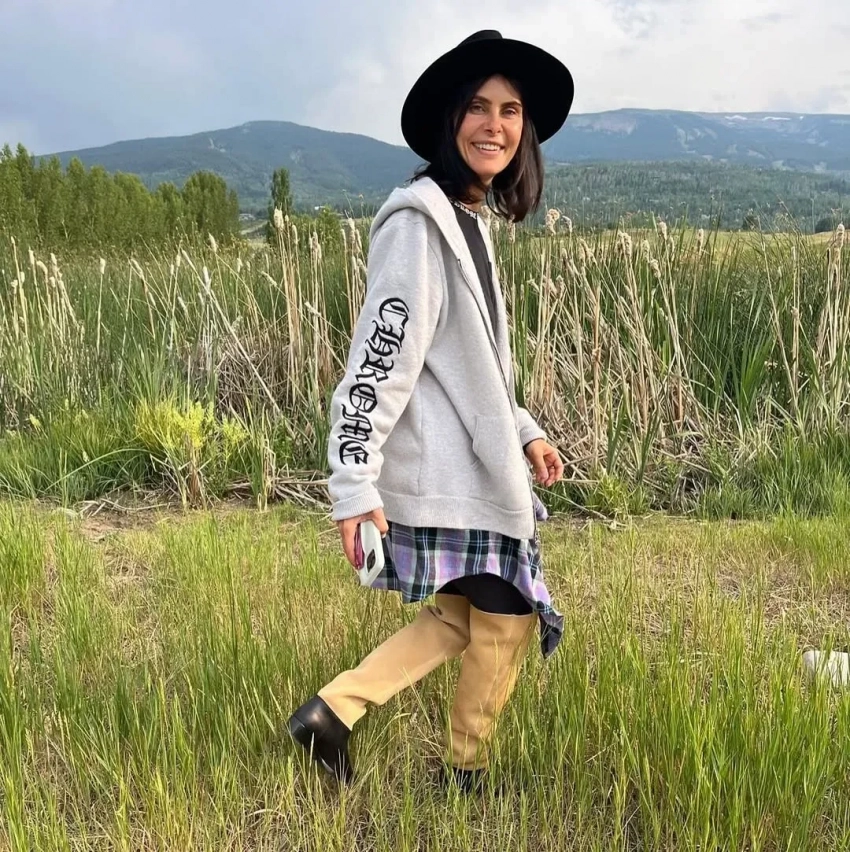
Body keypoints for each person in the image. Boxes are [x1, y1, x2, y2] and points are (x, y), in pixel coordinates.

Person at [288, 30, 574, 793]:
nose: (495, 125)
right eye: (478, 107)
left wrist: (525, 430)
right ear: (451, 120)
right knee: (507, 616)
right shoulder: (418, 225)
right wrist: (353, 484)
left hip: (473, 467)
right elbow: (378, 364)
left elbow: (473, 366)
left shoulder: (467, 220)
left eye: (510, 111)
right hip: (453, 477)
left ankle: (330, 714)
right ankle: (465, 772)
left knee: (459, 617)